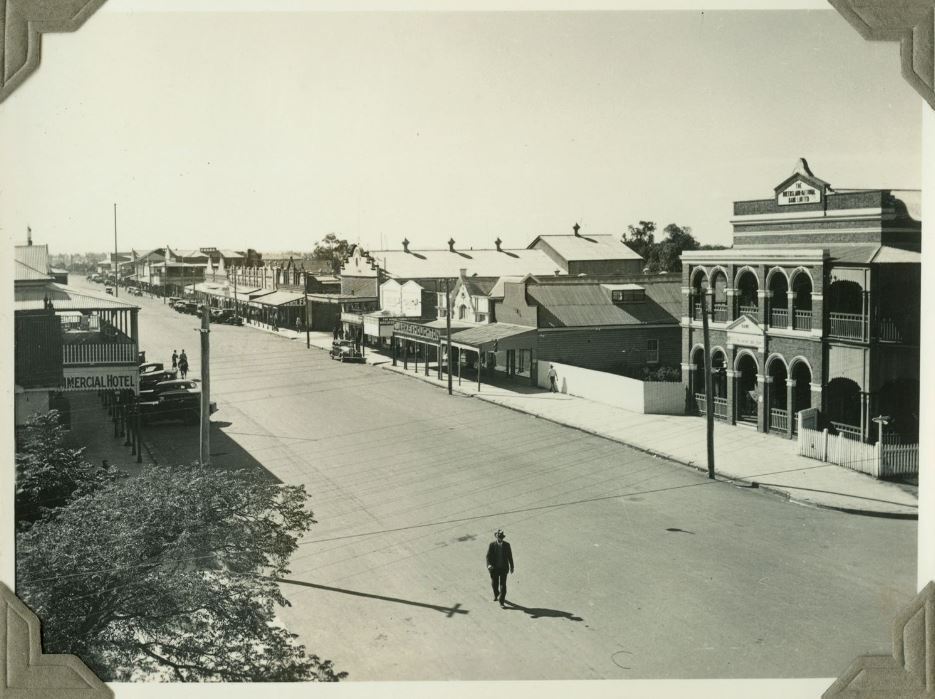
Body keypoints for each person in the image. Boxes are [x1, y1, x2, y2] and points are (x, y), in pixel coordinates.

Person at [485, 529, 515, 608]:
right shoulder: (492, 545)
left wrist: (512, 567)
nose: (500, 539)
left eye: (501, 538)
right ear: (497, 537)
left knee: (503, 585)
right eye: (499, 537)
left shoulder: (507, 545)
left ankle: (501, 601)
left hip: (503, 569)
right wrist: (489, 565)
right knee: (494, 584)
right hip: (494, 569)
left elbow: (510, 557)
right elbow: (488, 557)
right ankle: (496, 595)